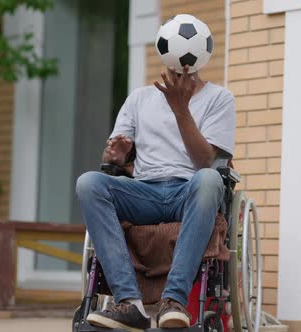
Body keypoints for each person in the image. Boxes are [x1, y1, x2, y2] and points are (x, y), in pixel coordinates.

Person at [75, 65, 235, 331]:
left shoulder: (220, 98)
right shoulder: (139, 98)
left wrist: (180, 109)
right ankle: (129, 305)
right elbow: (111, 158)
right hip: (144, 192)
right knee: (88, 183)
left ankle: (173, 300)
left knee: (209, 178)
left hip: (189, 192)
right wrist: (116, 156)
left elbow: (205, 161)